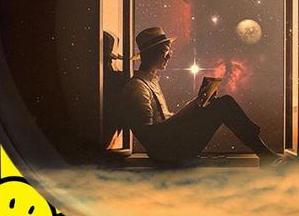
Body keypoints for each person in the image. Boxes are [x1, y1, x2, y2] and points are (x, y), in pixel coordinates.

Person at [121, 26, 284, 167]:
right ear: (151, 53)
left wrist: (197, 103)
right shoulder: (137, 87)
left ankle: (264, 153)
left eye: (169, 51)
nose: (169, 56)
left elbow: (166, 122)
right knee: (224, 105)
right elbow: (149, 136)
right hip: (167, 152)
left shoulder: (150, 82)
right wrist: (190, 114)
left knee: (220, 104)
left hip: (170, 146)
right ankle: (264, 154)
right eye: (165, 51)